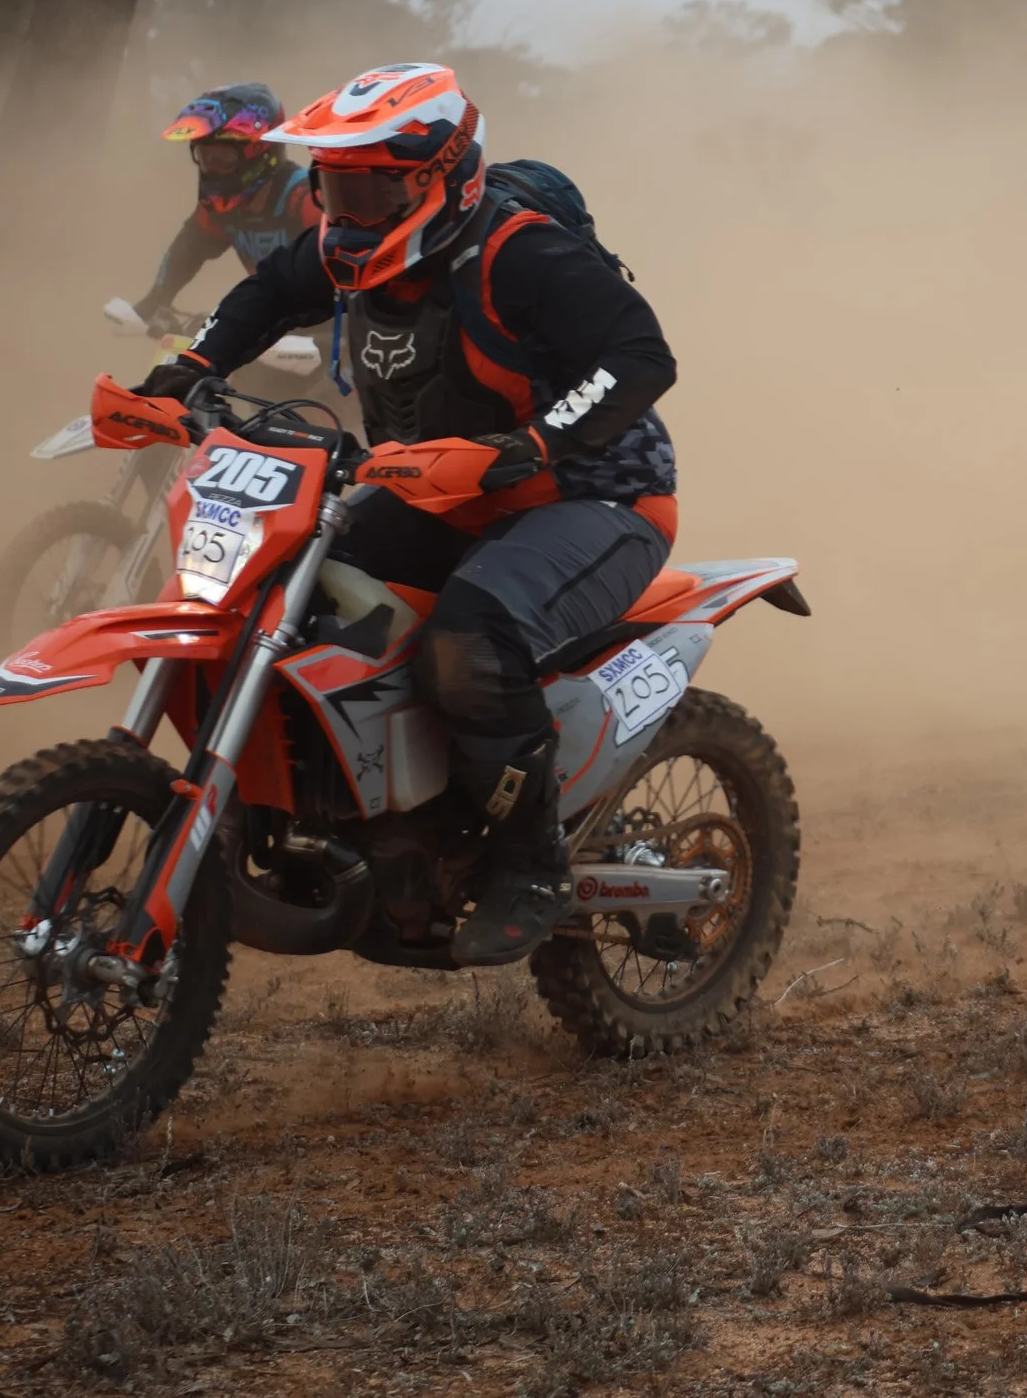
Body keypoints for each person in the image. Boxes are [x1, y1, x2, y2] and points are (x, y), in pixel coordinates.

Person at [135, 63, 679, 968]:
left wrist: (533, 445)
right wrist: (192, 366)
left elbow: (641, 355)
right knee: (282, 594)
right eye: (333, 185)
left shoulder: (522, 252)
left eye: (369, 186)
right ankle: (339, 818)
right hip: (438, 488)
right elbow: (268, 293)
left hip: (594, 497)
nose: (345, 210)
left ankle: (530, 862)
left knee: (467, 638)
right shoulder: (351, 241)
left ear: (443, 175)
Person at [131, 83, 323, 334]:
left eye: (223, 158)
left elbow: (355, 278)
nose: (212, 169)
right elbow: (186, 253)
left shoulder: (306, 199)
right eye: (205, 157)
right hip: (271, 323)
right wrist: (154, 301)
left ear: (262, 153)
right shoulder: (221, 210)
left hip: (327, 331)